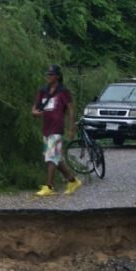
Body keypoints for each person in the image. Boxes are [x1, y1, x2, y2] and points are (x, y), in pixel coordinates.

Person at [31, 64, 82, 196]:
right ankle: (73, 180)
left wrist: (71, 127)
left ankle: (49, 186)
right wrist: (39, 113)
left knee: (51, 156)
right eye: (47, 74)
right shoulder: (43, 91)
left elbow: (70, 109)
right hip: (46, 127)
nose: (49, 76)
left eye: (51, 74)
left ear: (58, 76)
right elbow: (35, 109)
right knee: (55, 158)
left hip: (57, 127)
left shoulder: (63, 91)